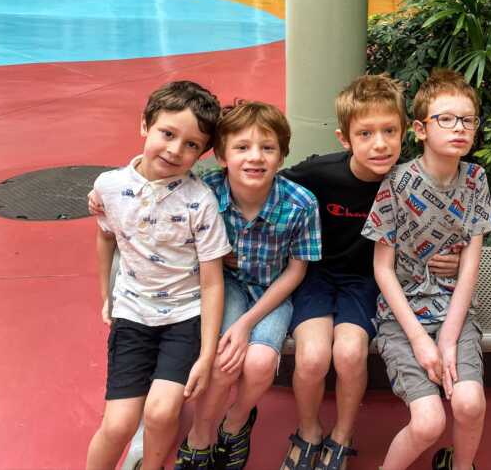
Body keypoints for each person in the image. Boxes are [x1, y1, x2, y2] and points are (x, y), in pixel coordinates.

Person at [279, 74, 461, 470]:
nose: (379, 143)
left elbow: (450, 222)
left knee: (348, 352)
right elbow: (262, 186)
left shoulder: (412, 181)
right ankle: (309, 430)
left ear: (403, 133)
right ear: (345, 139)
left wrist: (456, 255)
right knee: (310, 358)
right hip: (315, 275)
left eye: (389, 131)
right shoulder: (320, 173)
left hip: (369, 282)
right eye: (365, 133)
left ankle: (342, 435)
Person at [85, 81, 231, 470]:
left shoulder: (200, 201)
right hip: (133, 313)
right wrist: (107, 296)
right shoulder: (109, 187)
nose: (175, 150)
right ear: (145, 125)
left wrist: (206, 351)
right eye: (168, 133)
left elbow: (212, 279)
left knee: (162, 412)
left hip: (184, 317)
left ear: (203, 153)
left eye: (192, 145)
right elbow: (106, 238)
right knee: (117, 425)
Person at [177, 101, 322, 470]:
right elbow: (157, 183)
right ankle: (201, 433)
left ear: (282, 154)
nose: (255, 157)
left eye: (267, 147)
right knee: (225, 360)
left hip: (274, 291)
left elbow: (295, 271)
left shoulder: (300, 203)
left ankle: (236, 422)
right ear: (222, 154)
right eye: (242, 147)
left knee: (258, 361)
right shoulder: (205, 191)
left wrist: (245, 324)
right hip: (225, 286)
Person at [363, 69, 491, 470]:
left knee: (470, 403)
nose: (460, 128)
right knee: (428, 422)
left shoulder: (475, 179)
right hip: (403, 321)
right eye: (446, 119)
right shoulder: (397, 183)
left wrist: (450, 338)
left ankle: (461, 464)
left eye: (468, 120)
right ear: (420, 129)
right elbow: (383, 270)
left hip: (454, 312)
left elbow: (470, 266)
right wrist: (421, 339)